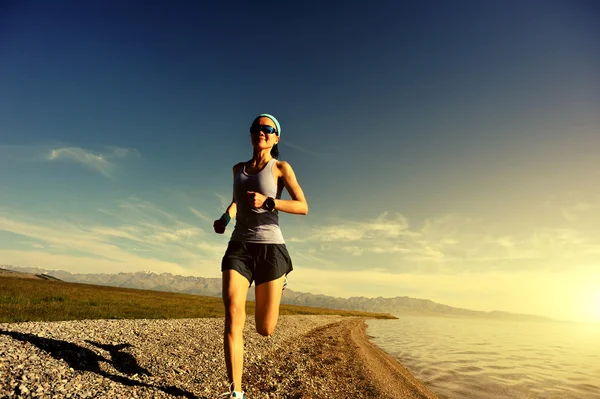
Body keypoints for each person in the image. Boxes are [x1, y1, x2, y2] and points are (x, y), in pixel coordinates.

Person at [213, 114, 308, 399]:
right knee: (232, 315)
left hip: (271, 249)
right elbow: (236, 202)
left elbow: (303, 206)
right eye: (257, 128)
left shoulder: (280, 167)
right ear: (252, 134)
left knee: (265, 329)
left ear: (276, 138)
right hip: (239, 247)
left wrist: (269, 202)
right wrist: (224, 219)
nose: (261, 133)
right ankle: (236, 393)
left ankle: (280, 281)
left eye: (268, 129)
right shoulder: (238, 169)